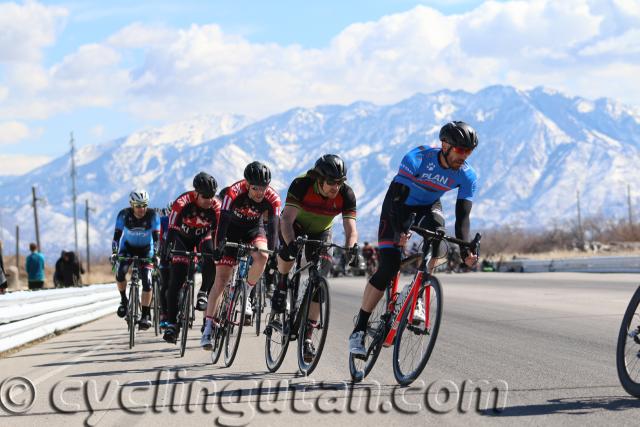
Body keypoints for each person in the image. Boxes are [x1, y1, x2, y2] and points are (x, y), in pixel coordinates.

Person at [349, 121, 480, 356]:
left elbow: (463, 217)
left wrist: (466, 250)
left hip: (429, 206)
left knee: (438, 241)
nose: (464, 156)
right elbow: (397, 201)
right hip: (398, 205)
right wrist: (401, 231)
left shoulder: (467, 175)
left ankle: (417, 296)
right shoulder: (417, 159)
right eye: (461, 150)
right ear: (445, 146)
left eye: (469, 152)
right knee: (388, 267)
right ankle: (359, 328)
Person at [271, 154, 358, 362]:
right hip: (295, 226)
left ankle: (308, 336)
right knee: (288, 253)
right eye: (331, 182)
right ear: (319, 180)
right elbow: (286, 220)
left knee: (320, 280)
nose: (335, 187)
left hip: (321, 232)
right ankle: (282, 283)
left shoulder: (346, 194)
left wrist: (351, 249)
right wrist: (291, 244)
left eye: (340, 182)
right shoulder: (302, 184)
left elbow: (351, 229)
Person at [199, 161, 280, 349]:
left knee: (263, 256)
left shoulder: (273, 197)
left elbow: (274, 226)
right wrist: (219, 245)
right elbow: (224, 220)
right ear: (246, 184)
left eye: (264, 188)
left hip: (253, 229)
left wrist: (274, 251)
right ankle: (208, 328)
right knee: (221, 280)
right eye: (256, 188)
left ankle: (247, 295)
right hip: (231, 230)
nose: (260, 192)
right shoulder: (233, 192)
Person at [163, 172, 220, 344]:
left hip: (203, 238)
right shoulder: (182, 202)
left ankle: (203, 292)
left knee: (211, 256)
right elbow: (172, 229)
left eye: (212, 196)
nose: (209, 200)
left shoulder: (216, 206)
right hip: (182, 239)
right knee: (174, 283)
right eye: (205, 197)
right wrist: (167, 249)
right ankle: (172, 324)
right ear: (195, 193)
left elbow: (218, 232)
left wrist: (219, 250)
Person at [112, 189, 160, 331]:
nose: (142, 209)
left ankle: (145, 314)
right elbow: (116, 237)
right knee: (120, 272)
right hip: (127, 248)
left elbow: (157, 239)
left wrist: (156, 254)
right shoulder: (123, 215)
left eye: (144, 205)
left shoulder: (153, 215)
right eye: (138, 206)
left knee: (147, 280)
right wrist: (114, 252)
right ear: (131, 205)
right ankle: (123, 300)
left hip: (146, 249)